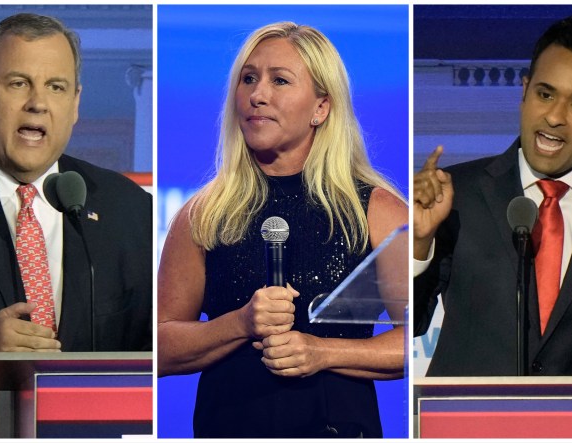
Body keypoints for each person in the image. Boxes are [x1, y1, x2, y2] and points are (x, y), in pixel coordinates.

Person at [158, 22, 408, 438]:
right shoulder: (203, 214)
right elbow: (162, 348)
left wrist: (321, 351)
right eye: (249, 78)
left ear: (321, 108)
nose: (258, 95)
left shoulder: (374, 211)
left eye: (280, 80)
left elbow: (417, 344)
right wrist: (239, 323)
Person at [0, 13, 152, 420]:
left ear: (74, 105)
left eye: (56, 87)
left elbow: (148, 340)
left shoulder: (127, 207)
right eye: (19, 83)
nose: (38, 102)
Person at [414, 15, 572, 376]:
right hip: (465, 426)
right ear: (524, 91)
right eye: (545, 94)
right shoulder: (456, 194)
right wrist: (420, 243)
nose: (554, 117)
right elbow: (411, 323)